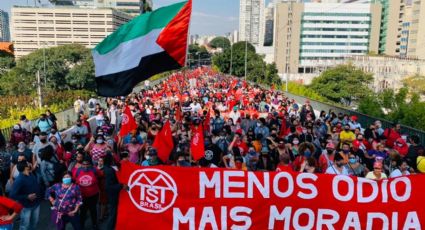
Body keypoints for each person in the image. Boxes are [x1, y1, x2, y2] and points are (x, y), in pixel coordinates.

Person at [10, 160, 42, 230]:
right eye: (28, 163)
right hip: (26, 207)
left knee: (34, 223)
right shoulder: (19, 180)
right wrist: (27, 197)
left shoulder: (31, 174)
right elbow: (12, 195)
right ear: (26, 167)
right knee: (24, 226)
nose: (30, 163)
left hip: (36, 204)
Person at [73, 159, 100, 230]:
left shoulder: (94, 170)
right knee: (83, 212)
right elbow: (74, 179)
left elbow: (99, 175)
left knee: (93, 210)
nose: (85, 166)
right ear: (81, 165)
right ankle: (81, 226)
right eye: (84, 164)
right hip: (82, 196)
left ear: (90, 165)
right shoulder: (78, 171)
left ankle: (94, 225)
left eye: (87, 164)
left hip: (93, 195)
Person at [103, 154, 124, 230]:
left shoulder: (107, 167)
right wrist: (121, 186)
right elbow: (109, 186)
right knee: (113, 212)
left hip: (112, 193)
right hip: (113, 194)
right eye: (113, 159)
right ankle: (110, 227)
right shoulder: (110, 170)